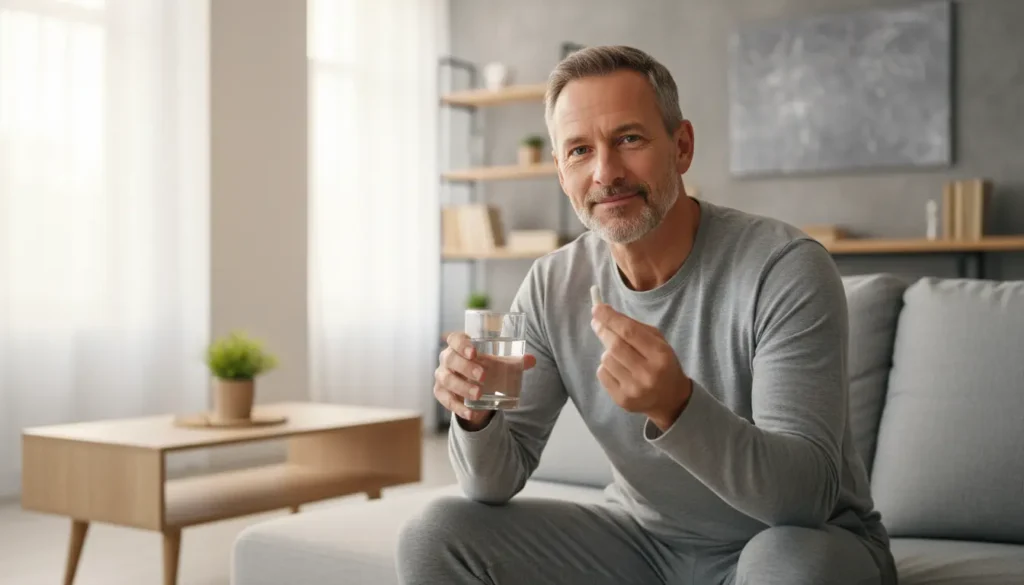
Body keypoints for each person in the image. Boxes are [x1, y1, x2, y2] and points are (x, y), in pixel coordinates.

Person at [398, 45, 897, 585]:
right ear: (561, 172)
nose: (606, 173)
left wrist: (677, 407)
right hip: (643, 547)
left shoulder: (784, 268)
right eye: (579, 151)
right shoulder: (551, 285)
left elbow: (803, 501)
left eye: (629, 139)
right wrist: (477, 416)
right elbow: (492, 484)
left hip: (800, 544)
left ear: (681, 147)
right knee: (435, 533)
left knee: (785, 570)